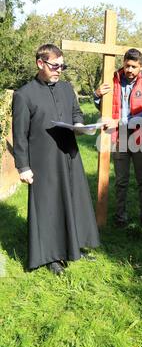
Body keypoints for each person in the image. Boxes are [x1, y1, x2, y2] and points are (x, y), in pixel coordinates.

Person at [12, 44, 100, 275]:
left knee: (73, 200)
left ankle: (75, 248)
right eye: (55, 65)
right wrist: (23, 166)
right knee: (49, 207)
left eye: (63, 66)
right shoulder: (24, 94)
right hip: (43, 161)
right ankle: (52, 256)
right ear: (40, 63)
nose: (59, 70)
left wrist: (80, 125)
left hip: (69, 155)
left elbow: (76, 113)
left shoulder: (66, 88)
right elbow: (19, 134)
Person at [94, 48, 142, 232]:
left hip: (140, 137)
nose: (129, 70)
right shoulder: (111, 79)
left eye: (134, 66)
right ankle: (120, 216)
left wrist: (122, 121)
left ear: (140, 67)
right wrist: (96, 96)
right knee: (121, 180)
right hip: (118, 137)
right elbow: (103, 106)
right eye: (127, 65)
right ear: (123, 63)